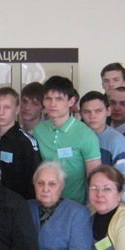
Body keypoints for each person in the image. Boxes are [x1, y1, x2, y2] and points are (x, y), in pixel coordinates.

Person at [33, 76, 101, 204]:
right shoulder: (38, 130)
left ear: (71, 101)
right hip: (45, 202)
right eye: (48, 98)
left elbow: (95, 179)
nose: (52, 104)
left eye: (59, 99)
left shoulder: (86, 135)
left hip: (75, 205)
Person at [79, 91, 125, 206]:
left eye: (98, 111)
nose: (92, 116)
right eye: (87, 112)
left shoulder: (117, 141)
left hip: (106, 206)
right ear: (80, 114)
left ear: (108, 111)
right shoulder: (77, 137)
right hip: (79, 204)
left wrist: (120, 210)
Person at [0, 87, 41, 200]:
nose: (0, 112)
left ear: (17, 110)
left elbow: (34, 181)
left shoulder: (25, 143)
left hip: (18, 203)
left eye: (7, 107)